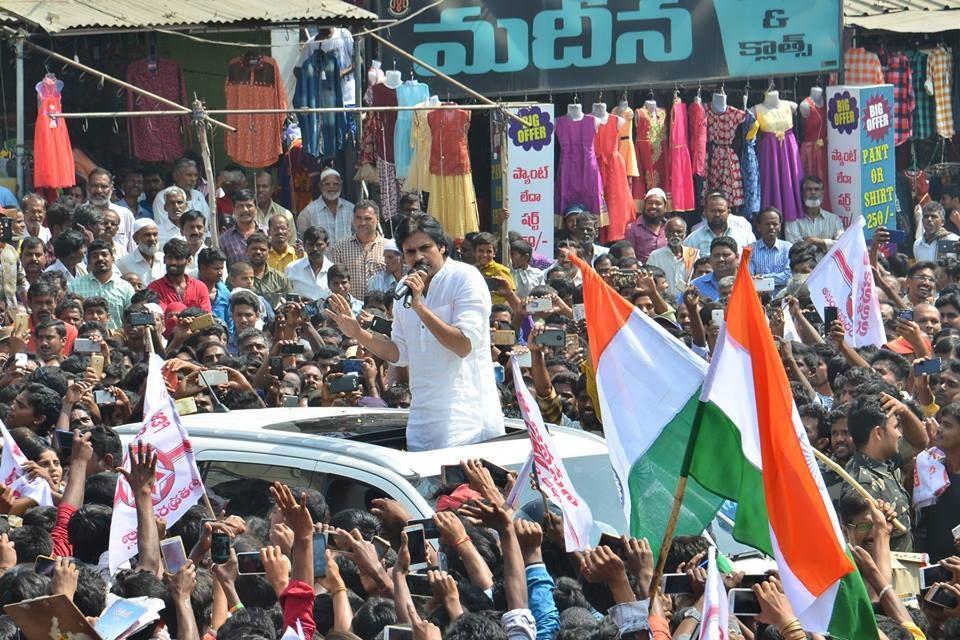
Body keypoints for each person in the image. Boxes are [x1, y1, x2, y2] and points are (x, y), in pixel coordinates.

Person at [325, 214, 505, 451]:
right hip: (421, 421)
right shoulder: (404, 289)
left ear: (441, 246)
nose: (418, 257)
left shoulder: (465, 279)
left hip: (466, 419)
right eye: (410, 252)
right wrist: (357, 332)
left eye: (425, 248)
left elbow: (463, 345)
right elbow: (400, 353)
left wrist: (420, 307)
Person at [843, 393, 913, 551]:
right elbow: (863, 546)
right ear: (878, 433)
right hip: (888, 574)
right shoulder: (863, 484)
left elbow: (920, 442)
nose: (899, 434)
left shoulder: (883, 464)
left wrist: (904, 410)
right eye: (895, 427)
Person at [67, 239, 134, 330]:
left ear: (113, 258)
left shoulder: (126, 288)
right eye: (95, 256)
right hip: (83, 340)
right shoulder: (74, 286)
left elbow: (130, 320)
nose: (100, 258)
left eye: (104, 255)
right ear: (89, 261)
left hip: (116, 341)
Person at [328, 200, 386, 300]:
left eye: (367, 218)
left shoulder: (388, 247)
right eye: (358, 218)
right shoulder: (341, 248)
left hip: (381, 310)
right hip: (350, 310)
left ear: (377, 219)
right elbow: (335, 281)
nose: (362, 223)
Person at [147, 238, 212, 313]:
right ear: (164, 260)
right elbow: (161, 316)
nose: (173, 262)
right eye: (170, 258)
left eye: (178, 258)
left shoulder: (200, 287)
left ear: (188, 261)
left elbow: (206, 317)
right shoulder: (154, 289)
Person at [683, 191, 755, 256]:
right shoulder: (692, 240)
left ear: (728, 212)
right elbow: (688, 267)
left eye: (721, 211)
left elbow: (753, 260)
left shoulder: (745, 236)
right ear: (705, 212)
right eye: (713, 211)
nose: (717, 214)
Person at [784, 176, 844, 251]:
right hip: (803, 262)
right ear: (802, 193)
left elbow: (842, 245)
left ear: (822, 193)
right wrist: (825, 245)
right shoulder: (793, 220)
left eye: (816, 189)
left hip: (829, 263)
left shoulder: (834, 219)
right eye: (809, 189)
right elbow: (795, 248)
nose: (813, 192)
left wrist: (812, 241)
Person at [646, 216, 699, 299]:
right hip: (664, 302)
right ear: (666, 233)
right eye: (672, 232)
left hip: (688, 301)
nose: (675, 235)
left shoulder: (693, 255)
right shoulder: (655, 256)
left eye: (679, 232)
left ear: (685, 234)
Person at [297, 168, 354, 245]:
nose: (331, 187)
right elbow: (302, 241)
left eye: (335, 184)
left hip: (348, 257)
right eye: (327, 184)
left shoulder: (351, 209)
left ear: (341, 185)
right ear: (320, 186)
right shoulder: (308, 212)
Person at [86, 167, 134, 252]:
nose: (99, 190)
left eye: (104, 186)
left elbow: (131, 249)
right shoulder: (79, 214)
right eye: (95, 186)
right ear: (87, 187)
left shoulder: (125, 214)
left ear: (111, 189)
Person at [680, 236, 738, 304]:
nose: (721, 259)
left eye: (726, 255)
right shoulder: (694, 286)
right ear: (710, 258)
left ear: (737, 257)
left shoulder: (749, 284)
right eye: (716, 255)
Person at [152, 157, 211, 221]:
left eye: (195, 175)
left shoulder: (198, 195)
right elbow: (162, 224)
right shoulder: (162, 197)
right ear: (176, 176)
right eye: (189, 175)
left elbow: (208, 220)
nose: (193, 179)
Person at [747, 207, 793, 289]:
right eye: (767, 224)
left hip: (782, 298)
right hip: (758, 298)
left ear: (780, 226)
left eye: (775, 224)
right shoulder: (750, 250)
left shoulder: (788, 248)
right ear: (759, 227)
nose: (771, 227)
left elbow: (789, 276)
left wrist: (763, 277)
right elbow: (749, 278)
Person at [245, 231, 292, 308]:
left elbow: (290, 303)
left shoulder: (280, 278)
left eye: (262, 249)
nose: (258, 252)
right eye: (254, 248)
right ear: (246, 251)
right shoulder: (236, 276)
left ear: (269, 253)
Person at [285, 226, 333, 300]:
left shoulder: (332, 270)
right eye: (310, 245)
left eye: (319, 245)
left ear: (327, 245)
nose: (314, 249)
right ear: (304, 245)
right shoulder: (292, 268)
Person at [624, 187, 668, 263]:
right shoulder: (632, 229)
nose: (653, 206)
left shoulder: (669, 227)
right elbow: (628, 259)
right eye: (650, 203)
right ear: (644, 206)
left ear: (665, 207)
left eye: (658, 204)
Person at [220, 189, 263, 265]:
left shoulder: (266, 233)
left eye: (249, 206)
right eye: (240, 206)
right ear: (233, 209)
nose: (245, 210)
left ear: (256, 209)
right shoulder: (224, 239)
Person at [117, 219, 164, 285]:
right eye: (147, 235)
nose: (152, 239)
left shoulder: (164, 259)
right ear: (135, 238)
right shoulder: (123, 263)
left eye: (155, 234)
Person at [197, 246, 233, 333]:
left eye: (222, 268)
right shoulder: (192, 291)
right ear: (203, 268)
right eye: (216, 269)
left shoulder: (225, 293)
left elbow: (230, 324)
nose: (220, 272)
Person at [255, 170, 295, 238]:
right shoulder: (247, 213)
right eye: (257, 186)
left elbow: (292, 244)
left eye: (264, 186)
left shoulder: (285, 214)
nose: (260, 190)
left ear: (272, 188)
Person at [178, 210, 207, 278]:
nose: (195, 231)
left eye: (199, 227)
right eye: (191, 227)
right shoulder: (177, 256)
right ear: (182, 231)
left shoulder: (212, 254)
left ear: (204, 229)